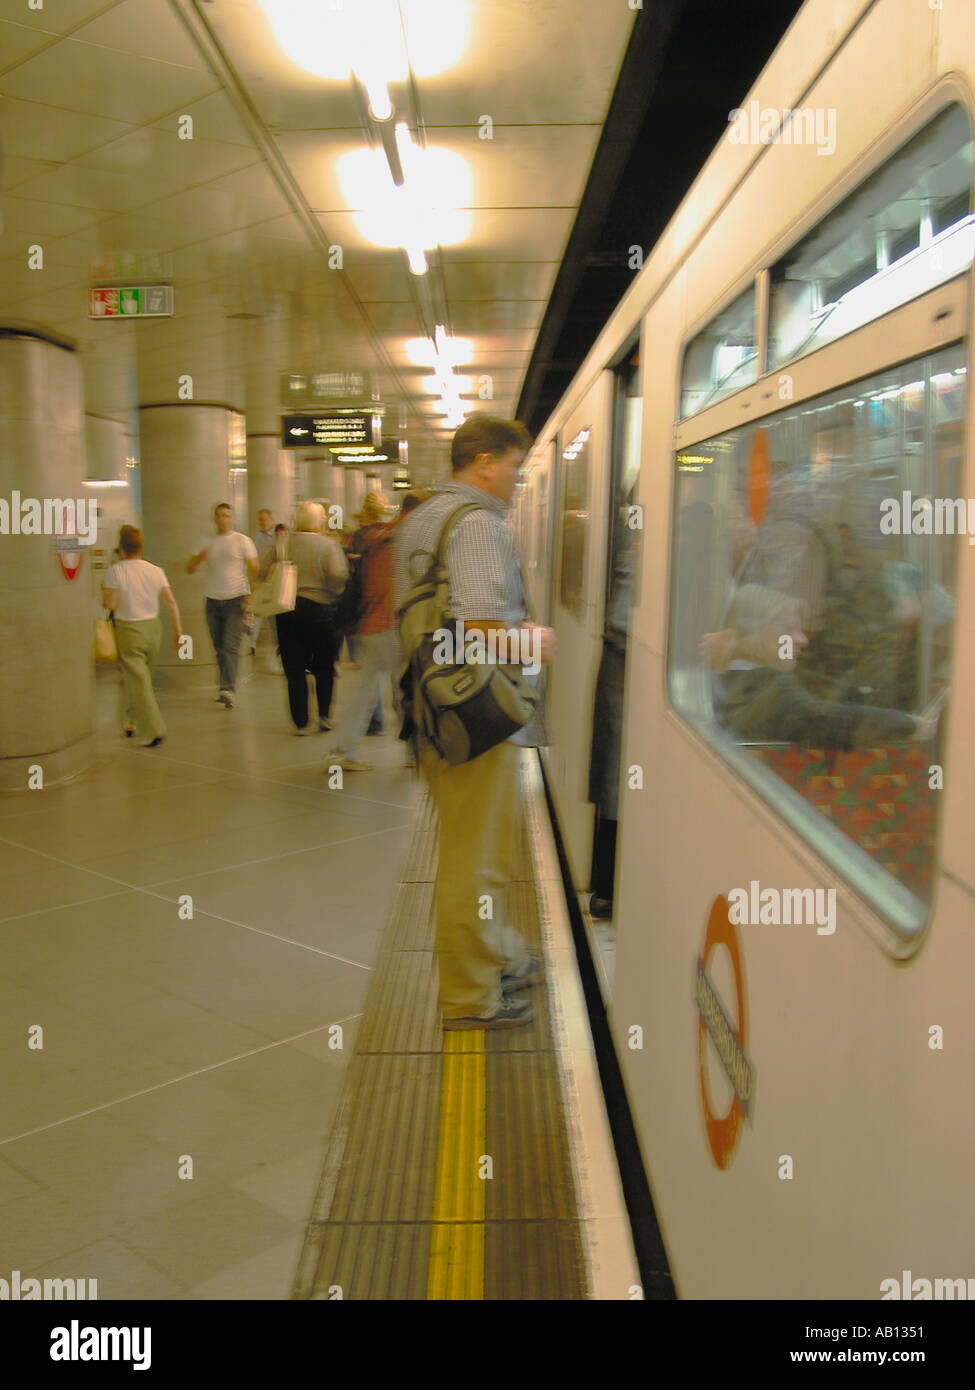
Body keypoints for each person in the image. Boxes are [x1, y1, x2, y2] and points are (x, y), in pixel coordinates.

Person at [395, 416, 555, 1031]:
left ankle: (495, 954)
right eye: (515, 466)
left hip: (434, 707)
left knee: (476, 848)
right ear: (485, 461)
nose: (517, 481)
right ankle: (469, 998)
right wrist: (537, 642)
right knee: (476, 860)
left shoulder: (425, 514)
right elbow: (480, 629)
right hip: (476, 715)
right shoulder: (478, 524)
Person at [703, 468, 935, 748]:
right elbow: (831, 720)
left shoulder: (730, 676)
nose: (802, 639)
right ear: (755, 633)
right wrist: (914, 725)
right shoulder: (773, 693)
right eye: (788, 629)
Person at [328, 499, 408, 771]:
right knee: (404, 690)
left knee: (367, 692)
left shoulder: (376, 539)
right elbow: (389, 590)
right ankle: (413, 749)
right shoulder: (394, 544)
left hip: (369, 626)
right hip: (387, 628)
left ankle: (343, 750)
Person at [101, 525, 182, 747]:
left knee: (139, 682)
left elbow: (111, 604)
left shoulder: (116, 571)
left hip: (129, 630)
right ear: (140, 546)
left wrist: (103, 590)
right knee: (140, 679)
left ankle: (155, 729)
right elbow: (171, 602)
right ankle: (131, 721)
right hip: (153, 629)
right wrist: (178, 631)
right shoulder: (156, 570)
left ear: (121, 547)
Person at [275, 501, 347, 733]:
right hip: (321, 610)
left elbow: (265, 569)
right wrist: (333, 591)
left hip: (287, 610)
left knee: (294, 669)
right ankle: (324, 716)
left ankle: (301, 722)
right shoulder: (329, 545)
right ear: (319, 521)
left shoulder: (283, 542)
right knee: (325, 666)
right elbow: (337, 575)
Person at [187, 503, 258, 708]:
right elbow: (189, 568)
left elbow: (255, 569)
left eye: (227, 516)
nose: (223, 519)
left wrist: (250, 595)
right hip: (212, 599)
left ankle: (228, 689)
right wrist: (199, 558)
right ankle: (224, 688)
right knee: (219, 647)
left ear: (233, 519)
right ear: (214, 519)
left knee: (230, 645)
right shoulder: (205, 541)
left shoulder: (242, 541)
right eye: (219, 516)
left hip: (236, 599)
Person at [250, 508, 277, 655]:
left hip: (275, 581)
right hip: (261, 580)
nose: (261, 522)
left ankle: (278, 646)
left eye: (264, 519)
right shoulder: (257, 538)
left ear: (271, 520)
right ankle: (252, 644)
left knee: (274, 616)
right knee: (256, 612)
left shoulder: (278, 536)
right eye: (259, 520)